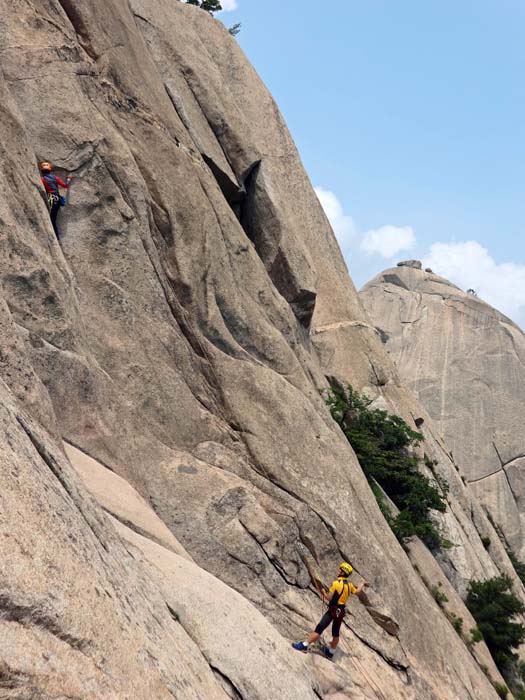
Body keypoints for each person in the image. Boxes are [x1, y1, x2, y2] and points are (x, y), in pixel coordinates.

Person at [292, 562, 370, 659]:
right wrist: (362, 584)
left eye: (339, 569)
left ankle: (304, 645)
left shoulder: (336, 583)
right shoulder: (349, 585)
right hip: (341, 612)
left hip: (332, 611)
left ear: (342, 572)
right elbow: (357, 591)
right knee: (335, 633)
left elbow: (329, 598)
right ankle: (330, 652)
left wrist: (324, 593)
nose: (338, 570)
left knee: (319, 628)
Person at [40, 162, 71, 239]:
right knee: (53, 219)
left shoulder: (42, 179)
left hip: (51, 199)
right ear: (50, 170)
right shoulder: (55, 178)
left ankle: (55, 237)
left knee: (51, 220)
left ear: (42, 171)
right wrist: (68, 179)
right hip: (57, 199)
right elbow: (65, 185)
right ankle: (56, 237)